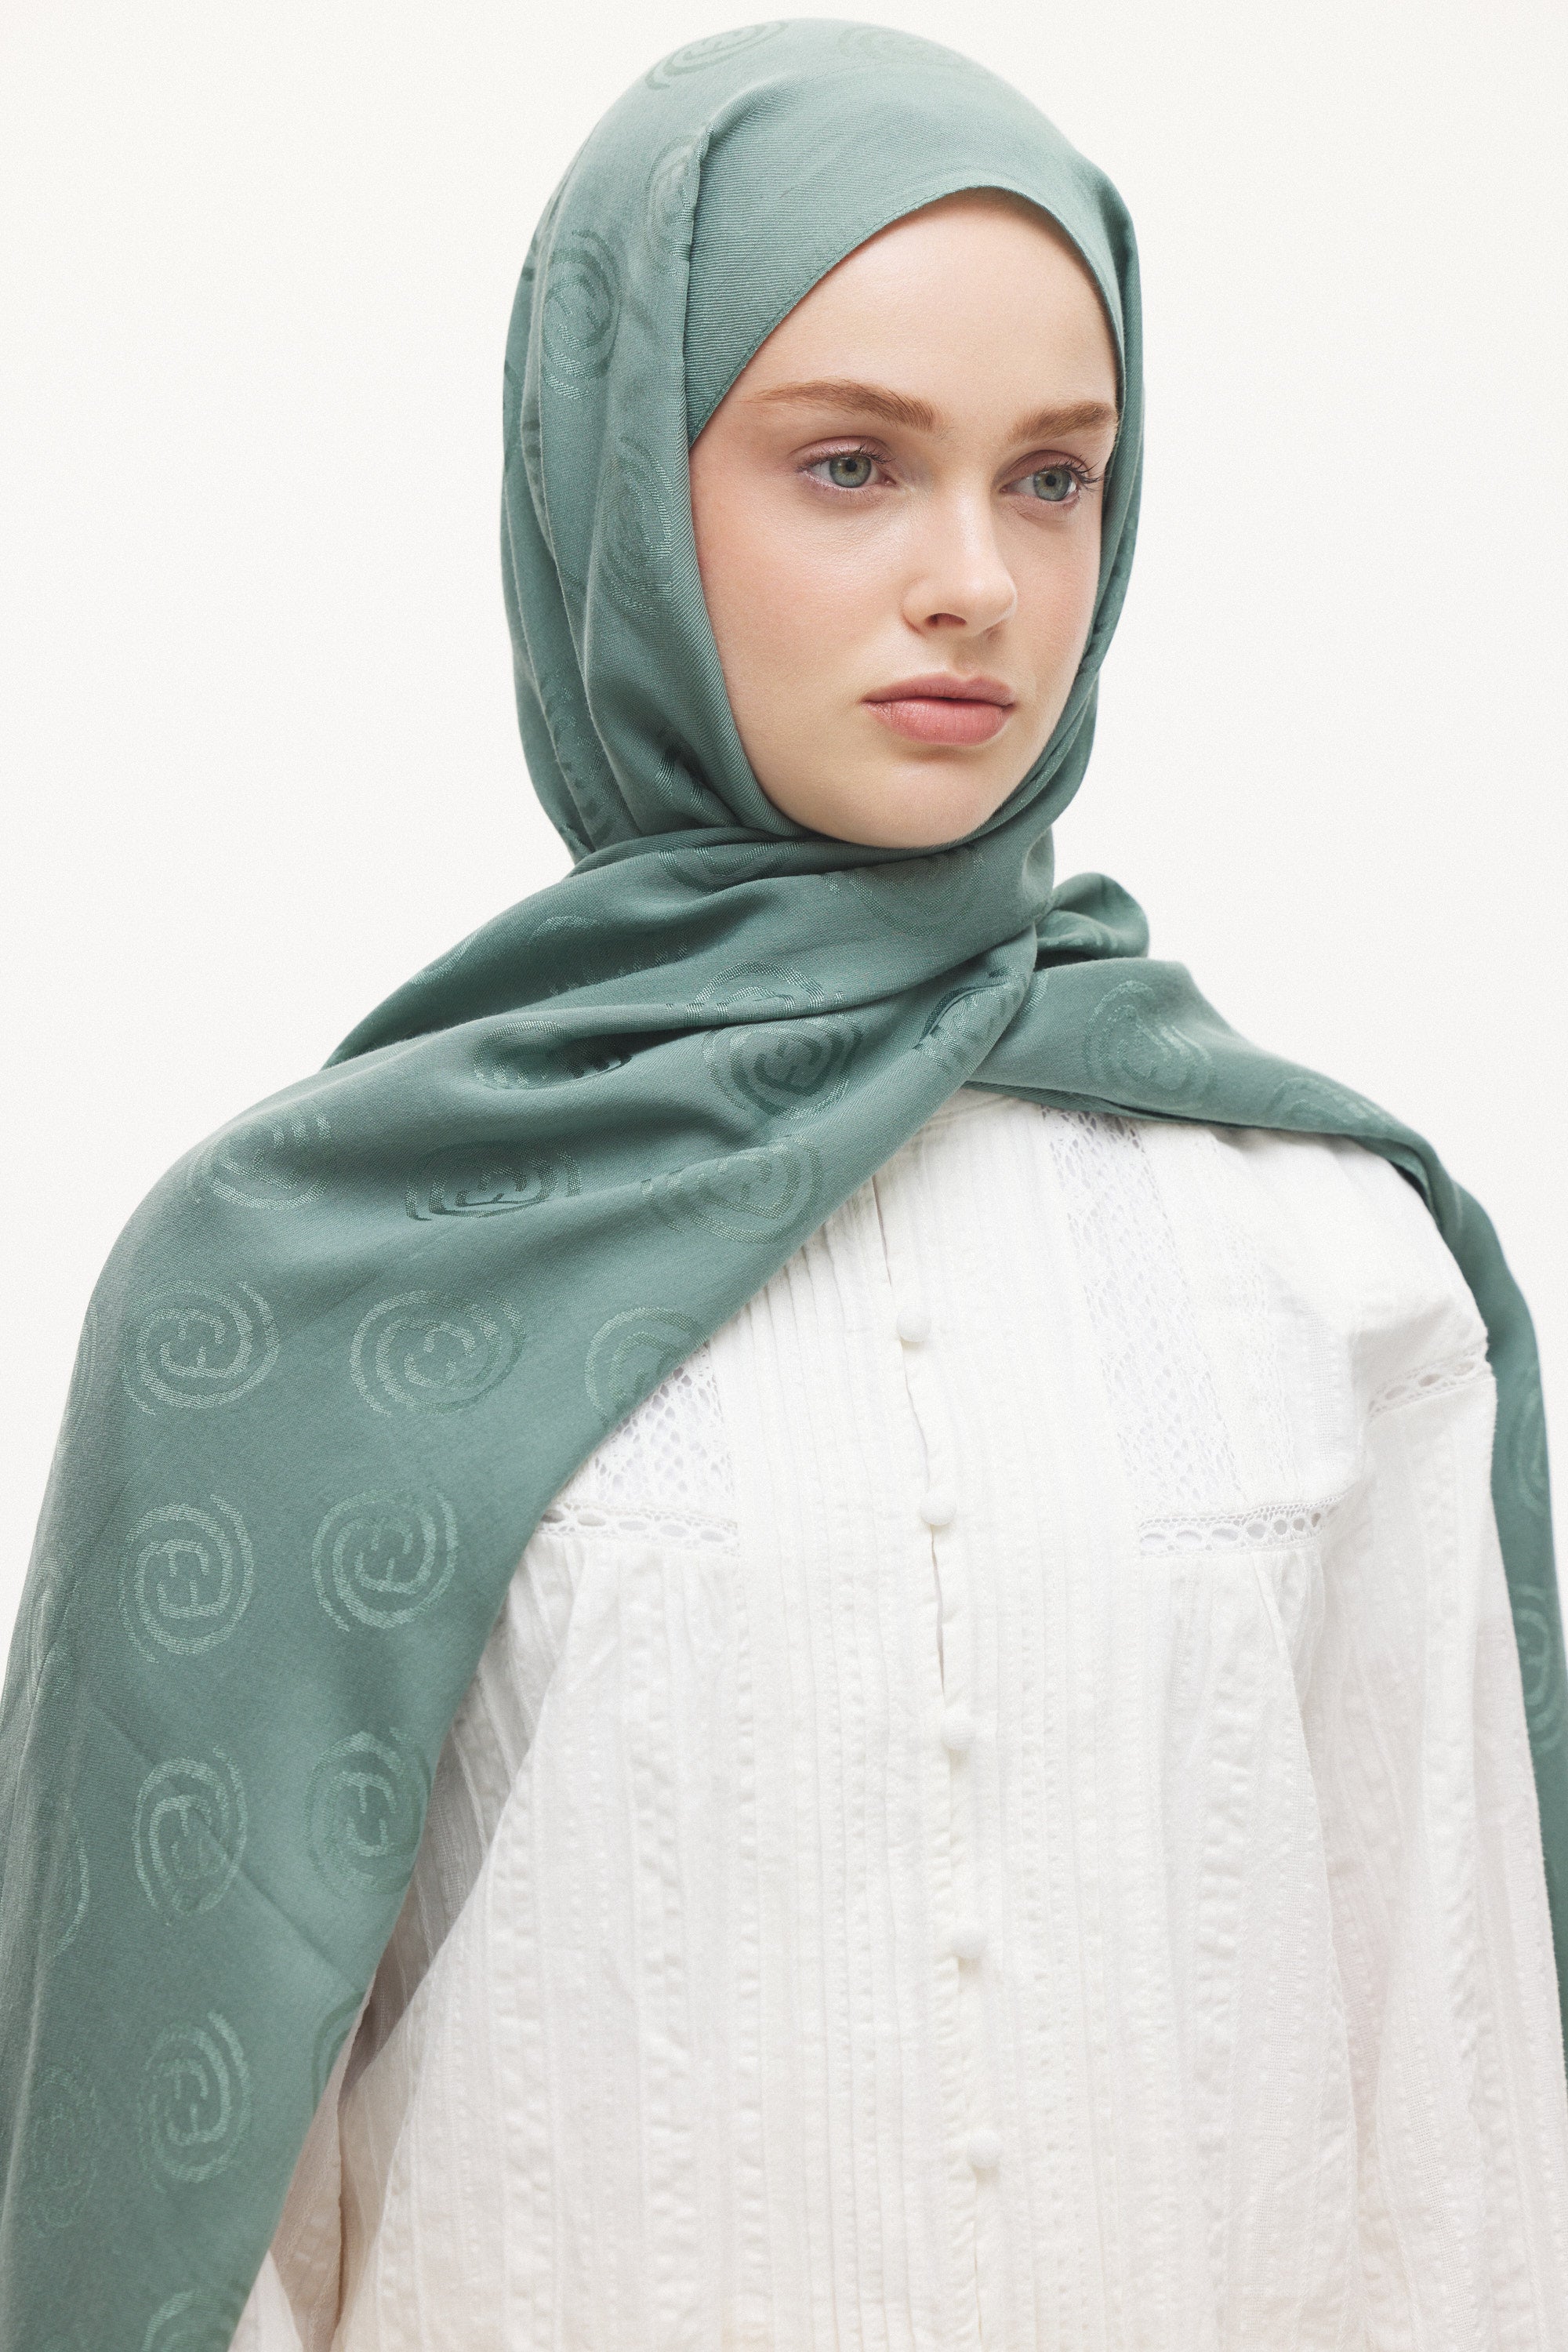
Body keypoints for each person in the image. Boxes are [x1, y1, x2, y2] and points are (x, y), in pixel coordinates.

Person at [2, 20, 1566, 2349]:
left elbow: (1464, 2148)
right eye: (852, 463)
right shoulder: (293, 1286)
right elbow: (184, 2218)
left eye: (1055, 477)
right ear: (623, 491)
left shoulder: (1328, 1251)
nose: (978, 580)